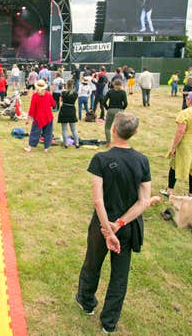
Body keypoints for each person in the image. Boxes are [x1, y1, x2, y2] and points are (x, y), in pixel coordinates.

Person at [76, 112, 159, 334]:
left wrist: (108, 228)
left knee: (92, 264)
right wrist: (118, 225)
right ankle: (108, 323)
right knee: (119, 276)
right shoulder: (142, 161)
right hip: (126, 227)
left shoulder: (100, 159)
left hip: (104, 225)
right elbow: (144, 201)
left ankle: (86, 302)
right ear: (135, 133)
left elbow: (98, 200)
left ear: (113, 129)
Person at [163, 91, 192, 197]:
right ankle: (191, 194)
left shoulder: (185, 113)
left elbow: (180, 131)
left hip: (187, 144)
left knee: (175, 165)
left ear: (189, 100)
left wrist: (173, 147)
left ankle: (170, 190)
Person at [24, 79, 56, 153]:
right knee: (48, 133)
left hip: (38, 117)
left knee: (34, 132)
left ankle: (30, 147)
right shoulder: (48, 94)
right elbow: (53, 104)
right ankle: (46, 148)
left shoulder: (35, 96)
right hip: (48, 116)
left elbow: (32, 109)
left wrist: (28, 119)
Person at [103, 79, 128, 145]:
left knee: (107, 127)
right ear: (121, 85)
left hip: (111, 110)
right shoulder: (123, 92)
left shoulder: (110, 92)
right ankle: (120, 142)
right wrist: (122, 109)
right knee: (119, 127)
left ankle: (108, 142)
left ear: (113, 84)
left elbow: (104, 101)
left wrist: (107, 108)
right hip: (120, 110)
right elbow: (125, 103)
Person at [59, 79, 80, 148]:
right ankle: (77, 143)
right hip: (71, 110)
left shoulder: (64, 93)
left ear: (67, 85)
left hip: (64, 109)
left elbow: (61, 100)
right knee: (73, 129)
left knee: (64, 129)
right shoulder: (75, 94)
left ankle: (66, 144)